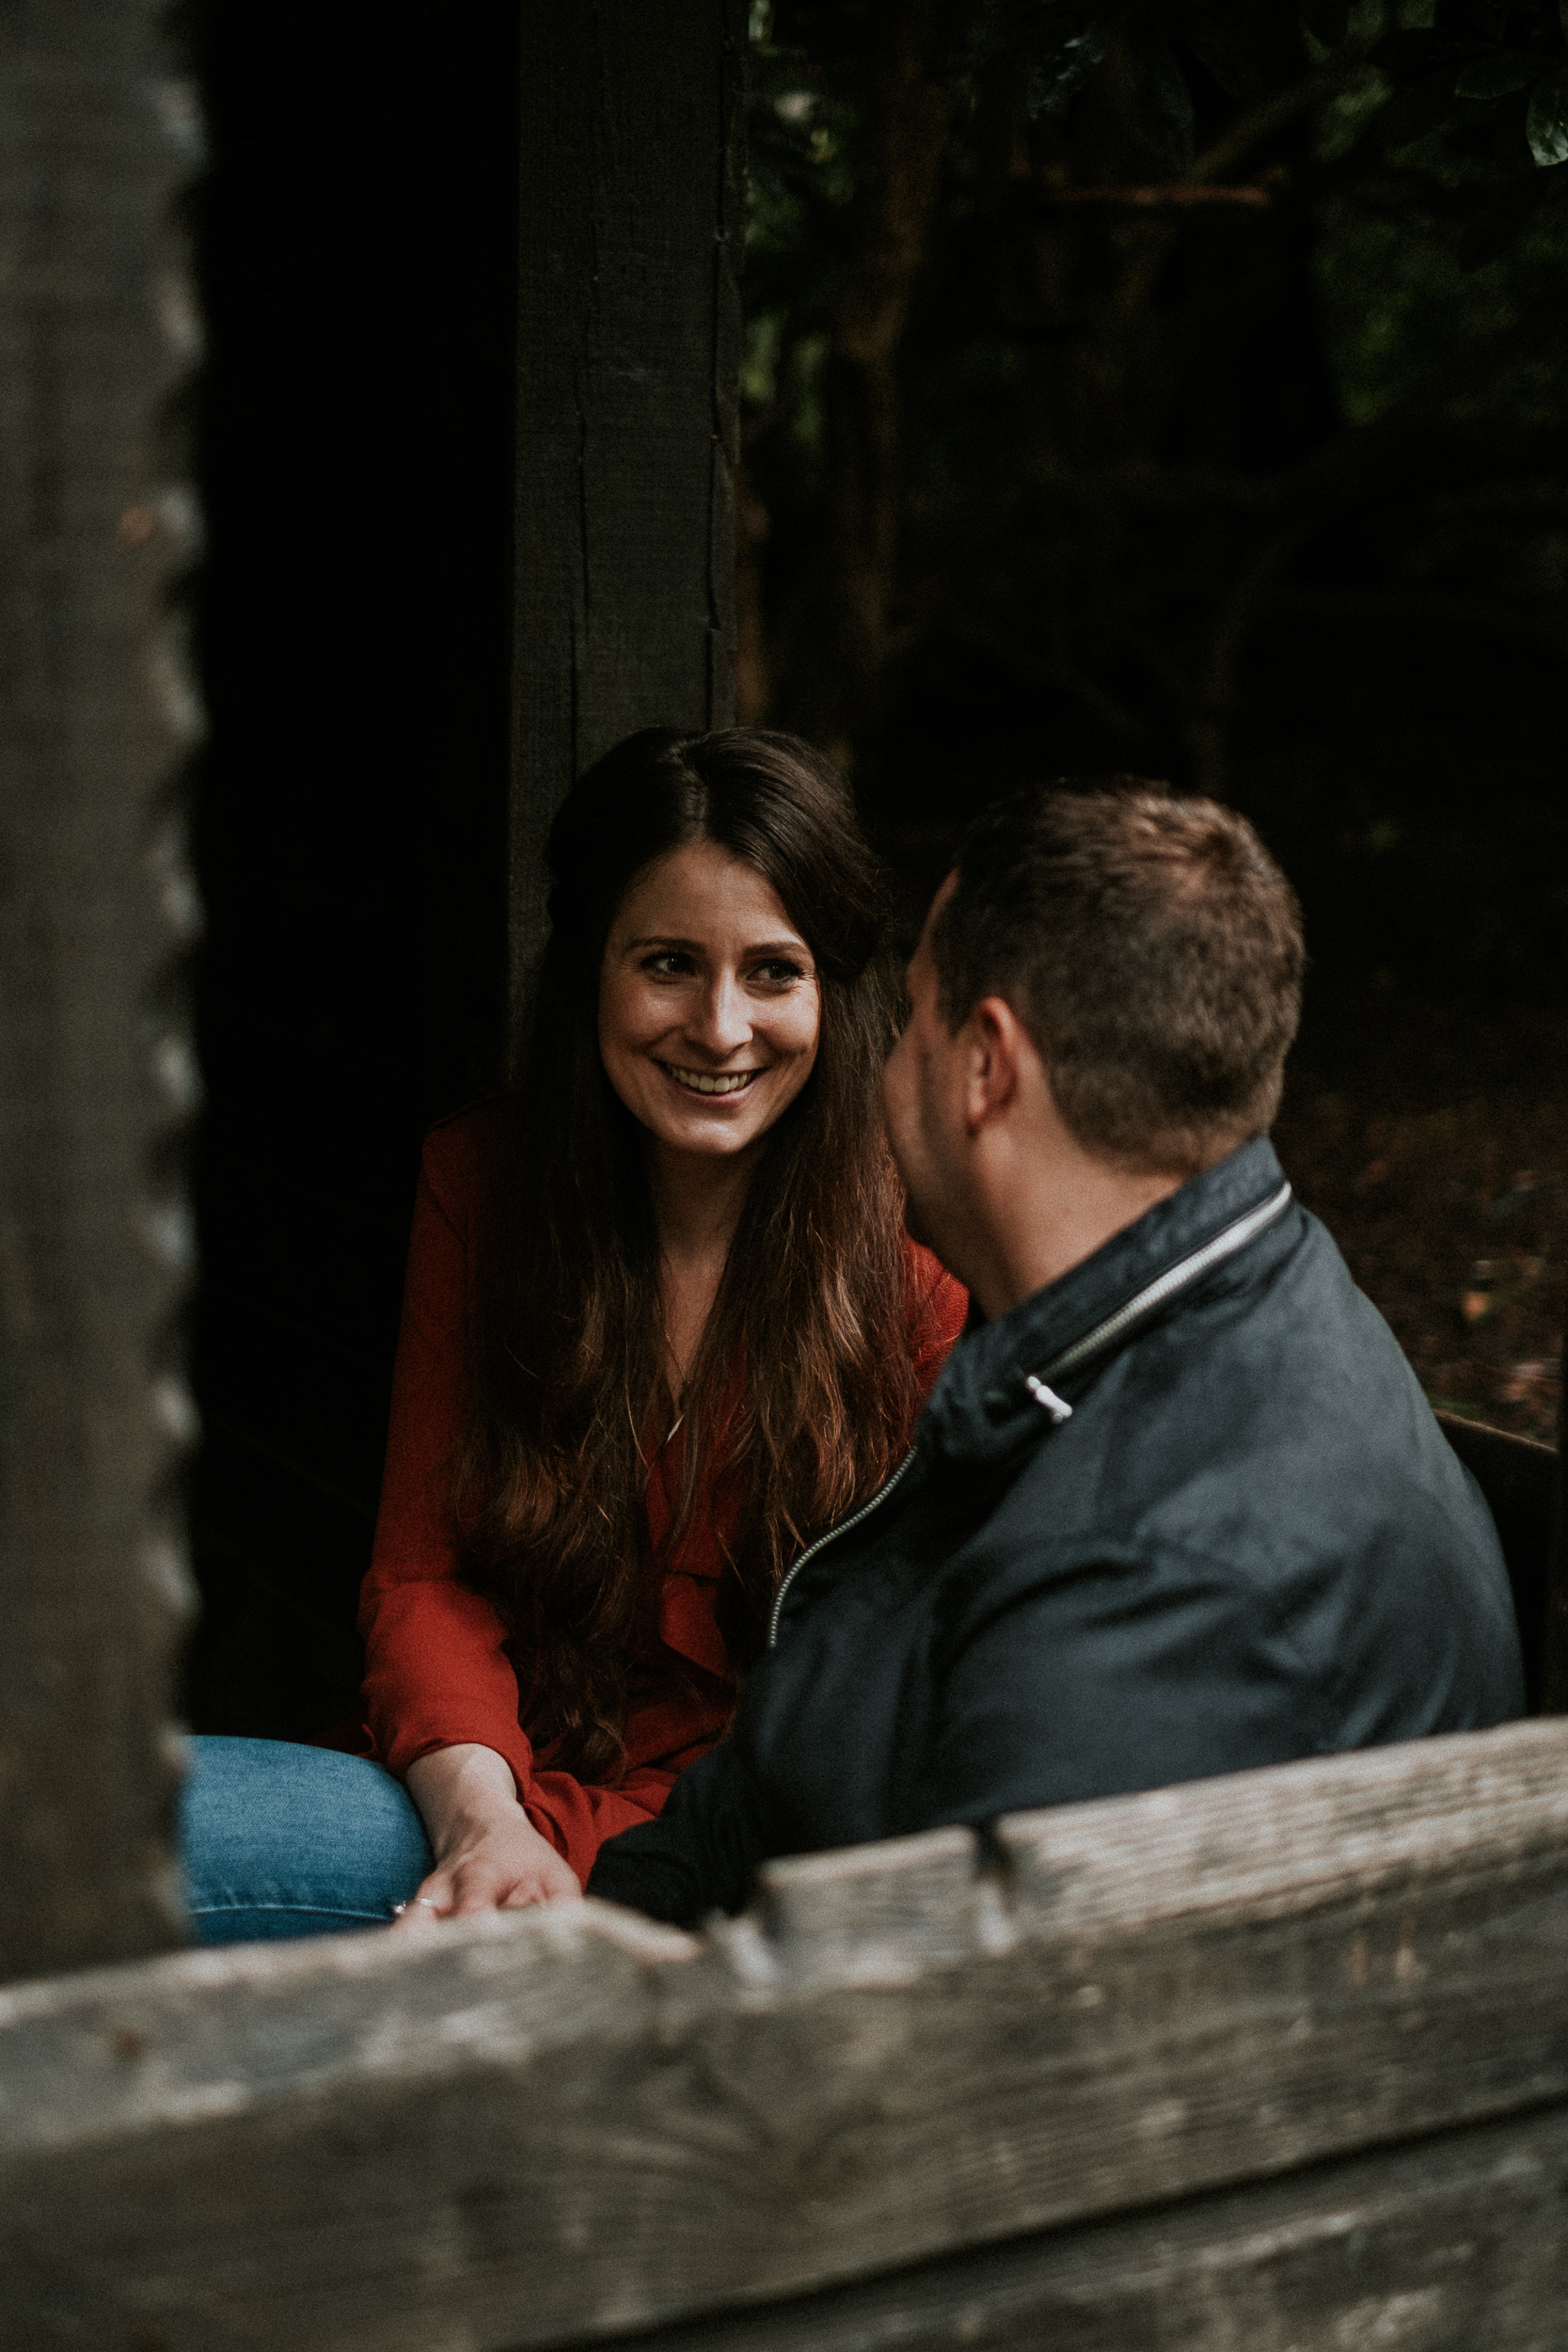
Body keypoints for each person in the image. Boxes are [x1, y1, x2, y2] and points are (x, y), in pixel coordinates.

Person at [586, 781, 1527, 1930]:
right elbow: (762, 1793)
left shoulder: (1156, 1581)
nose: (879, 1073)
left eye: (911, 1018)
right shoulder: (1116, 1329)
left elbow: (940, 2048)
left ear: (984, 1066)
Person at [182, 729, 966, 1941]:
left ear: (831, 994)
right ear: (588, 970)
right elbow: (421, 1572)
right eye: (666, 963)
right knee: (96, 1831)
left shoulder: (916, 1282)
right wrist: (483, 1825)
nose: (718, 1026)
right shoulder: (484, 1182)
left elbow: (885, 1705)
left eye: (772, 972)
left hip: (721, 1864)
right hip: (453, 1794)